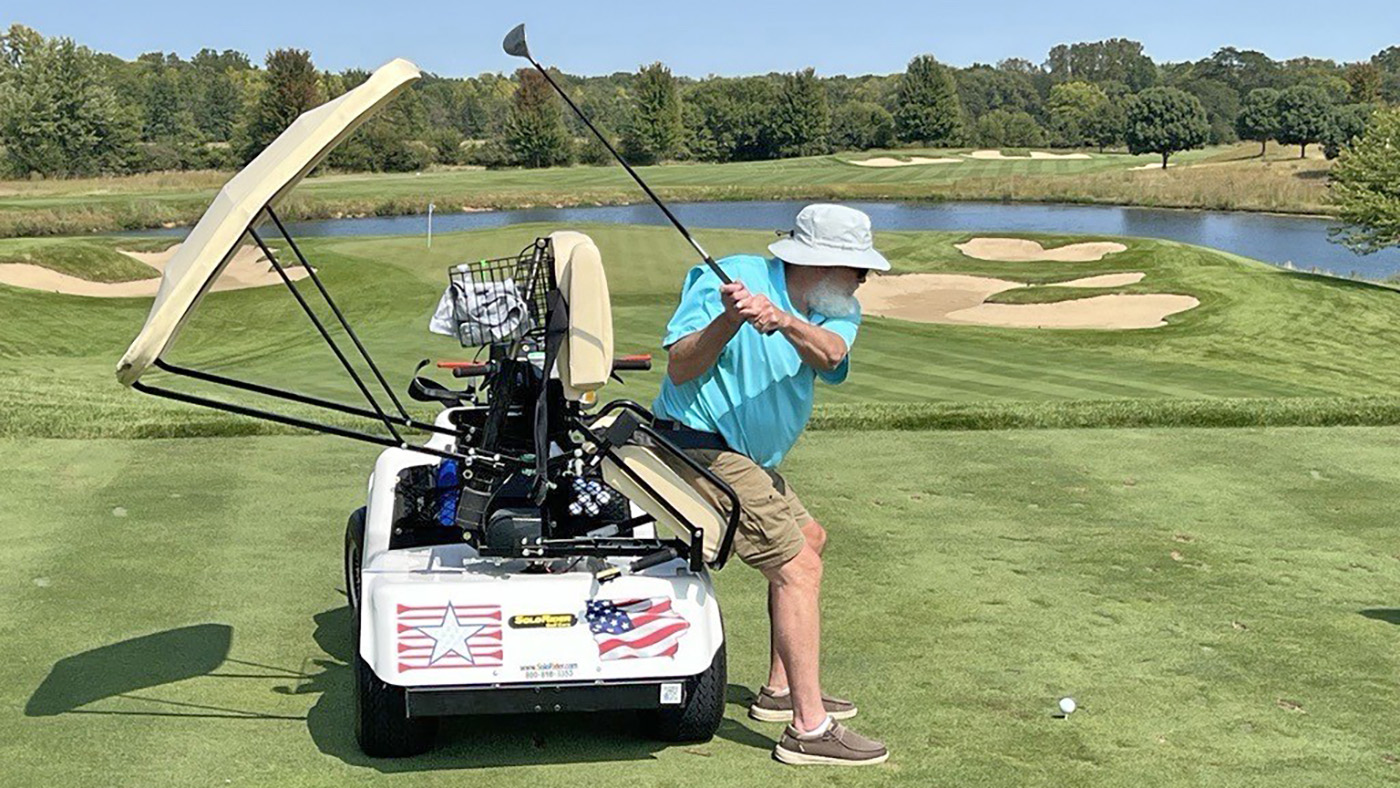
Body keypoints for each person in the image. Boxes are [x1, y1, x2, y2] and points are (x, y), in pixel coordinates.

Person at [652, 204, 890, 766]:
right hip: (695, 442)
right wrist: (728, 320)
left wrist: (781, 321)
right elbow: (681, 368)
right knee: (797, 567)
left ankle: (780, 692)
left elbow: (832, 354)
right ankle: (809, 729)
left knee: (811, 540)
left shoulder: (838, 310)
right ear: (824, 263)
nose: (865, 281)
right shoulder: (731, 277)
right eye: (859, 270)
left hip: (746, 459)